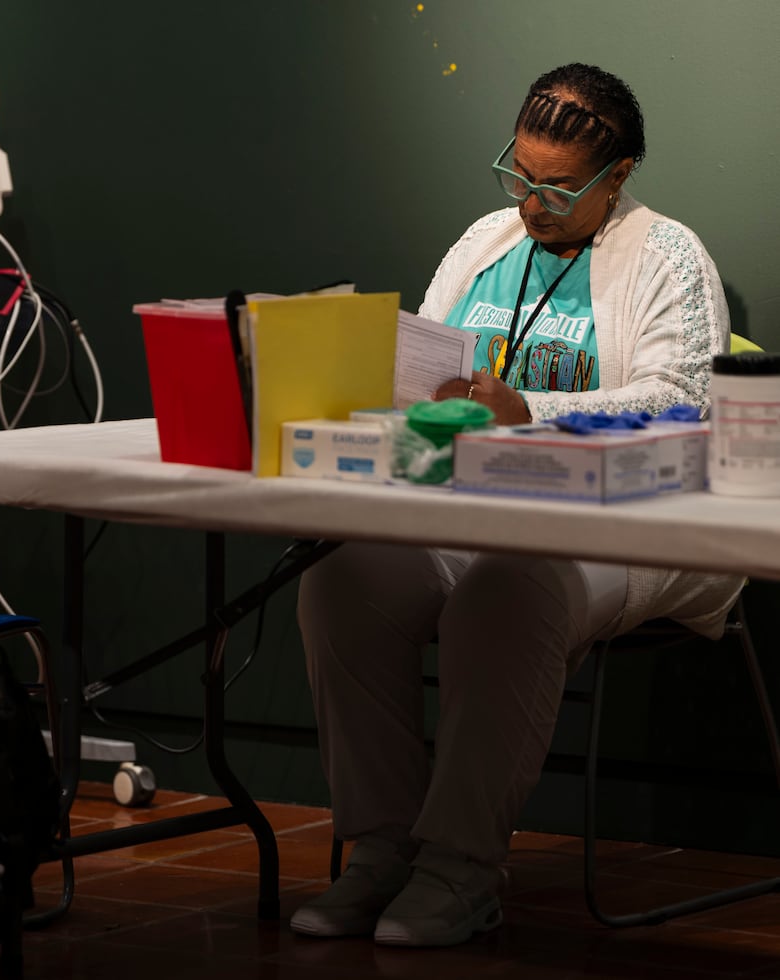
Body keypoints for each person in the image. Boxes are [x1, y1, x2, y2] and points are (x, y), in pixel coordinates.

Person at [290, 64, 744, 948]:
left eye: (558, 187)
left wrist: (529, 408)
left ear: (618, 178)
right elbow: (425, 364)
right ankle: (381, 852)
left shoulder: (668, 257)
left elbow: (684, 402)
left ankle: (460, 869)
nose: (532, 202)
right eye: (520, 174)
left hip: (632, 521)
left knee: (511, 588)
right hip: (471, 506)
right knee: (340, 576)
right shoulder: (484, 242)